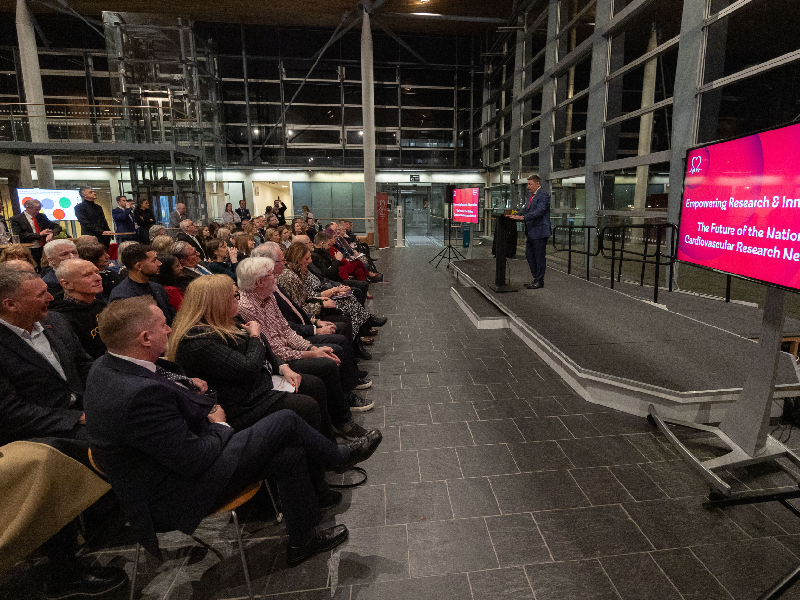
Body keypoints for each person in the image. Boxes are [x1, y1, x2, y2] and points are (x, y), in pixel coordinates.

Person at [85, 296, 381, 567]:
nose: (171, 329)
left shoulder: (107, 365)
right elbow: (193, 459)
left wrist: (187, 385)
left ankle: (303, 540)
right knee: (287, 419)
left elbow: (163, 391)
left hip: (175, 464)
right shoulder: (137, 394)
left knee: (288, 454)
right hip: (177, 492)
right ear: (145, 338)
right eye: (164, 325)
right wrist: (220, 425)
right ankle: (338, 457)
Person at [0, 266, 128, 598]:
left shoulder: (54, 323)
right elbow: (10, 412)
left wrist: (115, 393)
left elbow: (86, 367)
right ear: (10, 304)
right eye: (41, 293)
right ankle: (64, 571)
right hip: (32, 434)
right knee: (103, 447)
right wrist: (78, 419)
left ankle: (117, 519)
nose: (50, 296)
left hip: (78, 412)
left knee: (136, 422)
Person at [237, 258, 374, 423]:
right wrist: (311, 354)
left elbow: (287, 331)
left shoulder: (268, 295)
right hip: (278, 361)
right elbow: (274, 350)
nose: (275, 277)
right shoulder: (247, 308)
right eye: (271, 274)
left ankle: (343, 402)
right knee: (327, 363)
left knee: (333, 350)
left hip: (288, 349)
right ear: (260, 281)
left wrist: (311, 348)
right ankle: (343, 420)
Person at [279, 242, 386, 346]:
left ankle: (362, 331)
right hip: (317, 300)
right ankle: (362, 331)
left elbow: (318, 284)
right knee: (349, 301)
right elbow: (301, 305)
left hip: (323, 290)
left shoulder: (306, 266)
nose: (309, 260)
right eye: (307, 258)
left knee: (354, 290)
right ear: (297, 258)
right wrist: (327, 297)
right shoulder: (291, 276)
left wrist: (333, 289)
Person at [49, 259, 107, 358]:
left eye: (97, 272)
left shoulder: (101, 305)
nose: (98, 278)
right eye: (87, 275)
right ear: (66, 284)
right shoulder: (60, 318)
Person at [109, 243, 176, 324]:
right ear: (139, 266)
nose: (159, 263)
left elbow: (172, 317)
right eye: (154, 260)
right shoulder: (123, 297)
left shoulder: (157, 287)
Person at [511, 174, 551, 289]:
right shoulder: (530, 196)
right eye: (528, 184)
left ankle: (539, 280)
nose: (528, 186)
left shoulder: (543, 195)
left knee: (539, 257)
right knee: (529, 255)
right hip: (531, 231)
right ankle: (536, 278)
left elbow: (540, 211)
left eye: (530, 184)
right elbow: (525, 210)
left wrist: (523, 218)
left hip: (540, 231)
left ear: (537, 184)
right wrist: (515, 216)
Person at [308, 233, 370, 302]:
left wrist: (334, 265)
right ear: (322, 243)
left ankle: (361, 310)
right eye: (328, 244)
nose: (329, 246)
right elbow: (329, 274)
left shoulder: (324, 252)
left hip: (335, 279)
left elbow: (332, 269)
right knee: (358, 288)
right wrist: (337, 261)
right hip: (330, 283)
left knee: (361, 275)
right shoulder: (315, 257)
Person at [9, 198, 61, 268]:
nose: (37, 211)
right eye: (36, 209)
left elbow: (57, 227)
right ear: (28, 207)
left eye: (39, 209)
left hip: (42, 248)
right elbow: (19, 235)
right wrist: (39, 234)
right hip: (28, 248)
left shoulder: (41, 216)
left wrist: (51, 233)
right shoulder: (16, 219)